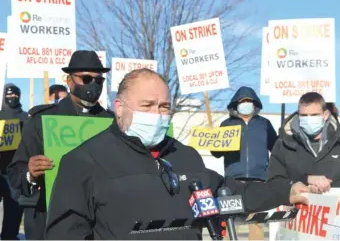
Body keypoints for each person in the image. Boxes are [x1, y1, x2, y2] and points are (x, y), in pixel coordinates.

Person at [45, 69, 317, 240]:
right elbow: (64, 234)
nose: (157, 114)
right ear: (119, 107)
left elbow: (230, 194)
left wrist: (284, 192)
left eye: (164, 106)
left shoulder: (185, 156)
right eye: (147, 105)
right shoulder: (83, 161)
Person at [7, 50, 114, 240]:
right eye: (86, 78)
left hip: (99, 222)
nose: (93, 85)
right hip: (49, 220)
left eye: (99, 81)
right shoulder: (43, 119)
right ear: (69, 80)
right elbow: (16, 171)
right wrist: (30, 173)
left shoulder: (112, 122)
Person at [211, 86, 277, 240]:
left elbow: (275, 148)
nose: (246, 104)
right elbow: (216, 153)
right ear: (236, 104)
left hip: (258, 179)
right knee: (231, 220)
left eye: (249, 101)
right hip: (233, 180)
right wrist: (214, 140)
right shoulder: (227, 124)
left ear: (255, 104)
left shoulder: (264, 124)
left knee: (257, 223)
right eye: (243, 101)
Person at [268, 92, 340, 191]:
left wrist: (330, 186)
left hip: (337, 204)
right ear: (298, 115)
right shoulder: (283, 143)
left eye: (314, 115)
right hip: (297, 205)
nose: (309, 120)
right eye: (304, 115)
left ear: (325, 115)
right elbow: (274, 182)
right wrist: (306, 180)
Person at [0, 84, 28, 240]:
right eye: (9, 95)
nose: (12, 98)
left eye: (15, 95)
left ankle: (9, 236)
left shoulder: (26, 118)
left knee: (15, 208)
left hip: (15, 170)